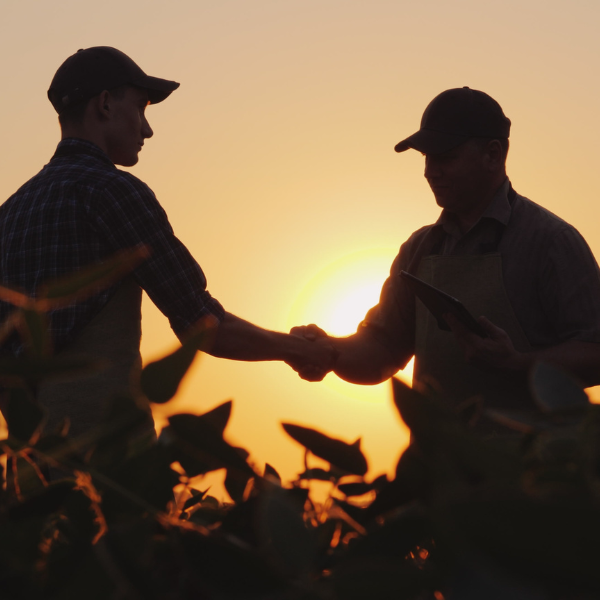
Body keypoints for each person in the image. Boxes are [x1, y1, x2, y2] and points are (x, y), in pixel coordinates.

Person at [0, 46, 335, 442]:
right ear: (105, 104)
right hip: (104, 464)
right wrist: (300, 349)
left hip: (27, 473)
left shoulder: (10, 211)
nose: (147, 129)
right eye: (141, 109)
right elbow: (203, 325)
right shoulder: (114, 193)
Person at [293, 87, 600, 424]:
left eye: (445, 157)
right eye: (426, 158)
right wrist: (327, 351)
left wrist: (517, 363)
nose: (430, 171)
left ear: (493, 154)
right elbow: (380, 353)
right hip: (438, 471)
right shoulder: (419, 249)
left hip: (535, 471)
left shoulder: (551, 241)